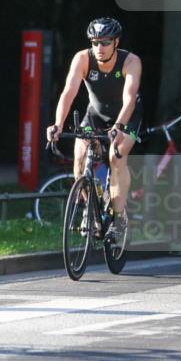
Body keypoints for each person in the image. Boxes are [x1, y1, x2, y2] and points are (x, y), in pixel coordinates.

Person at [47, 17, 142, 242]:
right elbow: (68, 93)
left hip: (127, 116)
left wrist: (118, 126)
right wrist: (58, 124)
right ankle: (90, 212)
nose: (99, 48)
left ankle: (119, 219)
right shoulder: (82, 59)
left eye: (105, 42)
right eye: (95, 42)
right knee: (79, 162)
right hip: (95, 115)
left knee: (116, 157)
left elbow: (129, 99)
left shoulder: (131, 61)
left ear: (116, 42)